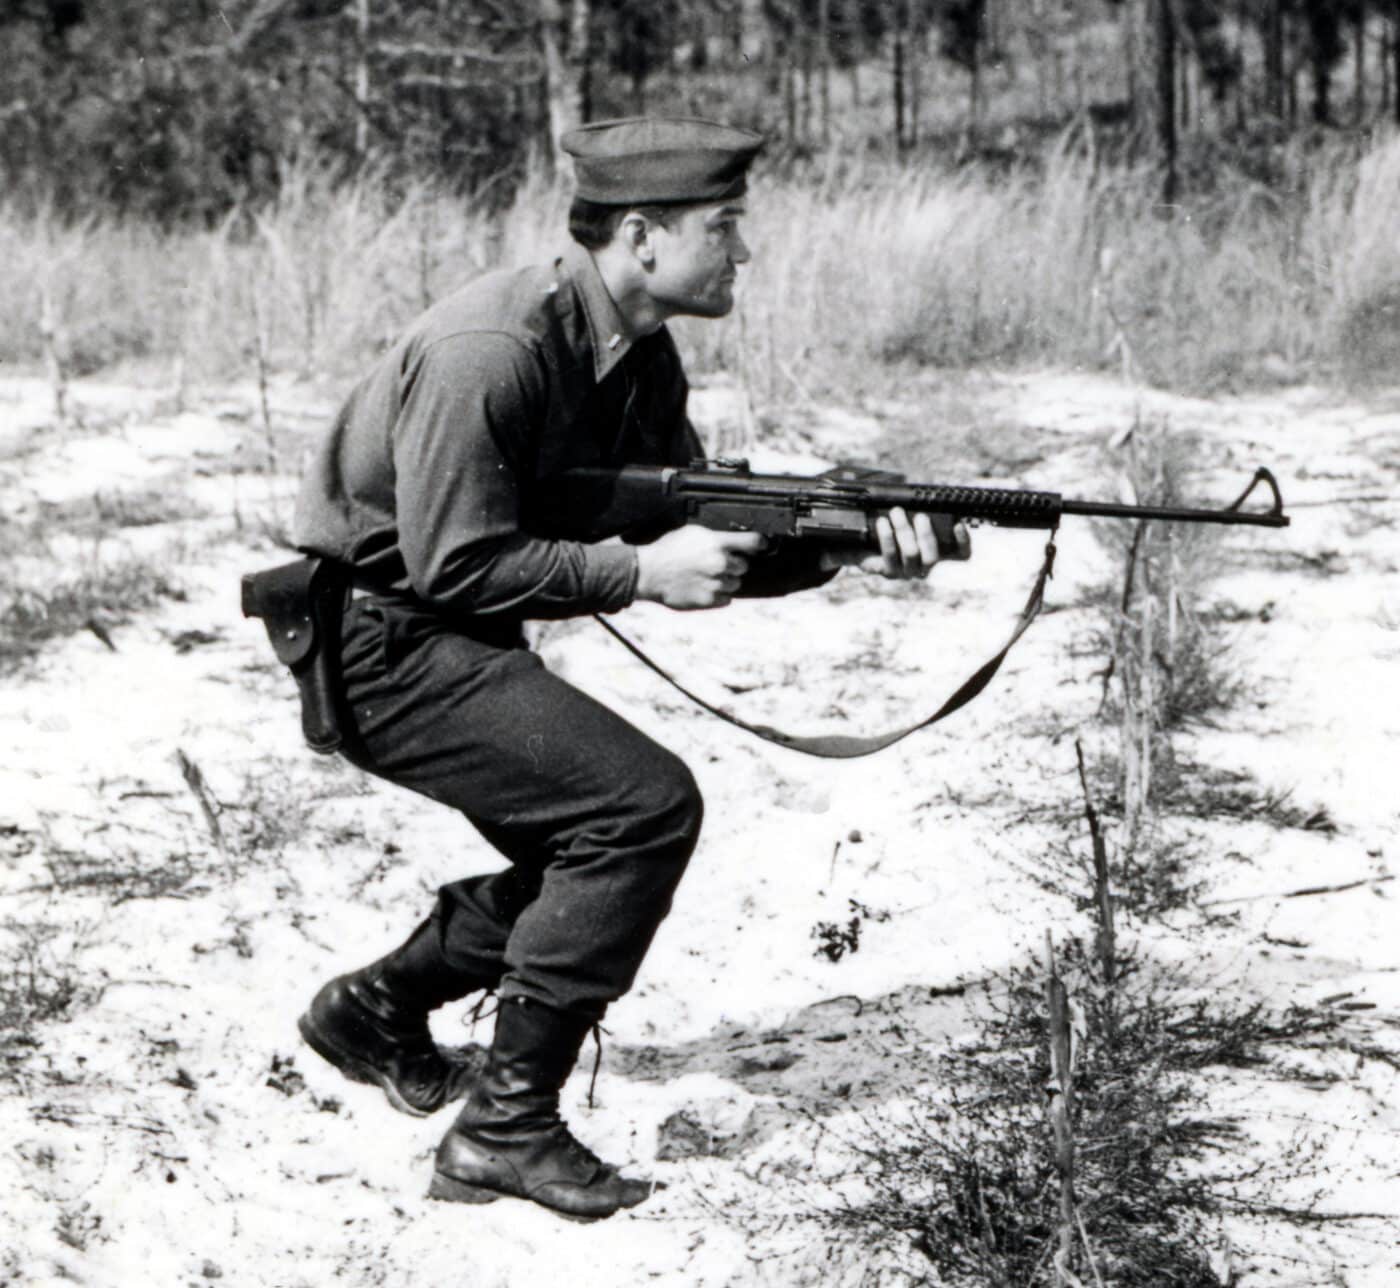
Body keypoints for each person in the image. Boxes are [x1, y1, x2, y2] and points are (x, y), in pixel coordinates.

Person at [290, 116, 958, 1222]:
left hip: (447, 629)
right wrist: (637, 574)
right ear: (643, 237)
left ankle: (376, 1009)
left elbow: (694, 528)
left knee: (587, 850)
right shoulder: (493, 350)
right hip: (381, 642)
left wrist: (844, 544)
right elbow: (456, 561)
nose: (744, 251)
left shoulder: (633, 351)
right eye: (725, 227)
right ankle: (503, 1132)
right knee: (637, 810)